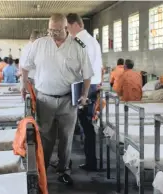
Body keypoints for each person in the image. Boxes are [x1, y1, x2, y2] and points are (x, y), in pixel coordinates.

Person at [21, 13, 93, 185]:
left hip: (68, 101)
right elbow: (25, 66)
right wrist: (23, 85)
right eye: (50, 30)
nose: (53, 33)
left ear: (66, 28)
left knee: (66, 138)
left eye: (57, 30)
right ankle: (42, 171)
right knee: (46, 138)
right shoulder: (39, 44)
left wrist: (84, 94)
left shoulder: (78, 46)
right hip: (44, 100)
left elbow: (87, 74)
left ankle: (64, 170)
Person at [67, 13, 103, 171]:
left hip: (85, 87)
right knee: (86, 125)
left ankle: (91, 162)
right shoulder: (92, 40)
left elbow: (82, 68)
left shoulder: (80, 41)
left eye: (67, 27)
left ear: (75, 25)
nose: (67, 31)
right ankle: (90, 160)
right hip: (92, 85)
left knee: (86, 126)